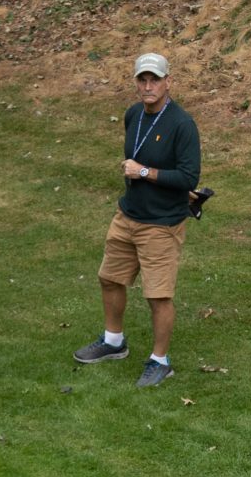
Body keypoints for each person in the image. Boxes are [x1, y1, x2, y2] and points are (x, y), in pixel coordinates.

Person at [72, 52, 201, 388]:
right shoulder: (133, 115)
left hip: (161, 225)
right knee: (109, 278)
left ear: (168, 81)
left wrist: (143, 172)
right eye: (142, 79)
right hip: (127, 216)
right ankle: (114, 342)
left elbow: (188, 177)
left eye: (154, 79)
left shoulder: (182, 125)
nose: (148, 86)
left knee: (158, 295)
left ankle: (161, 361)